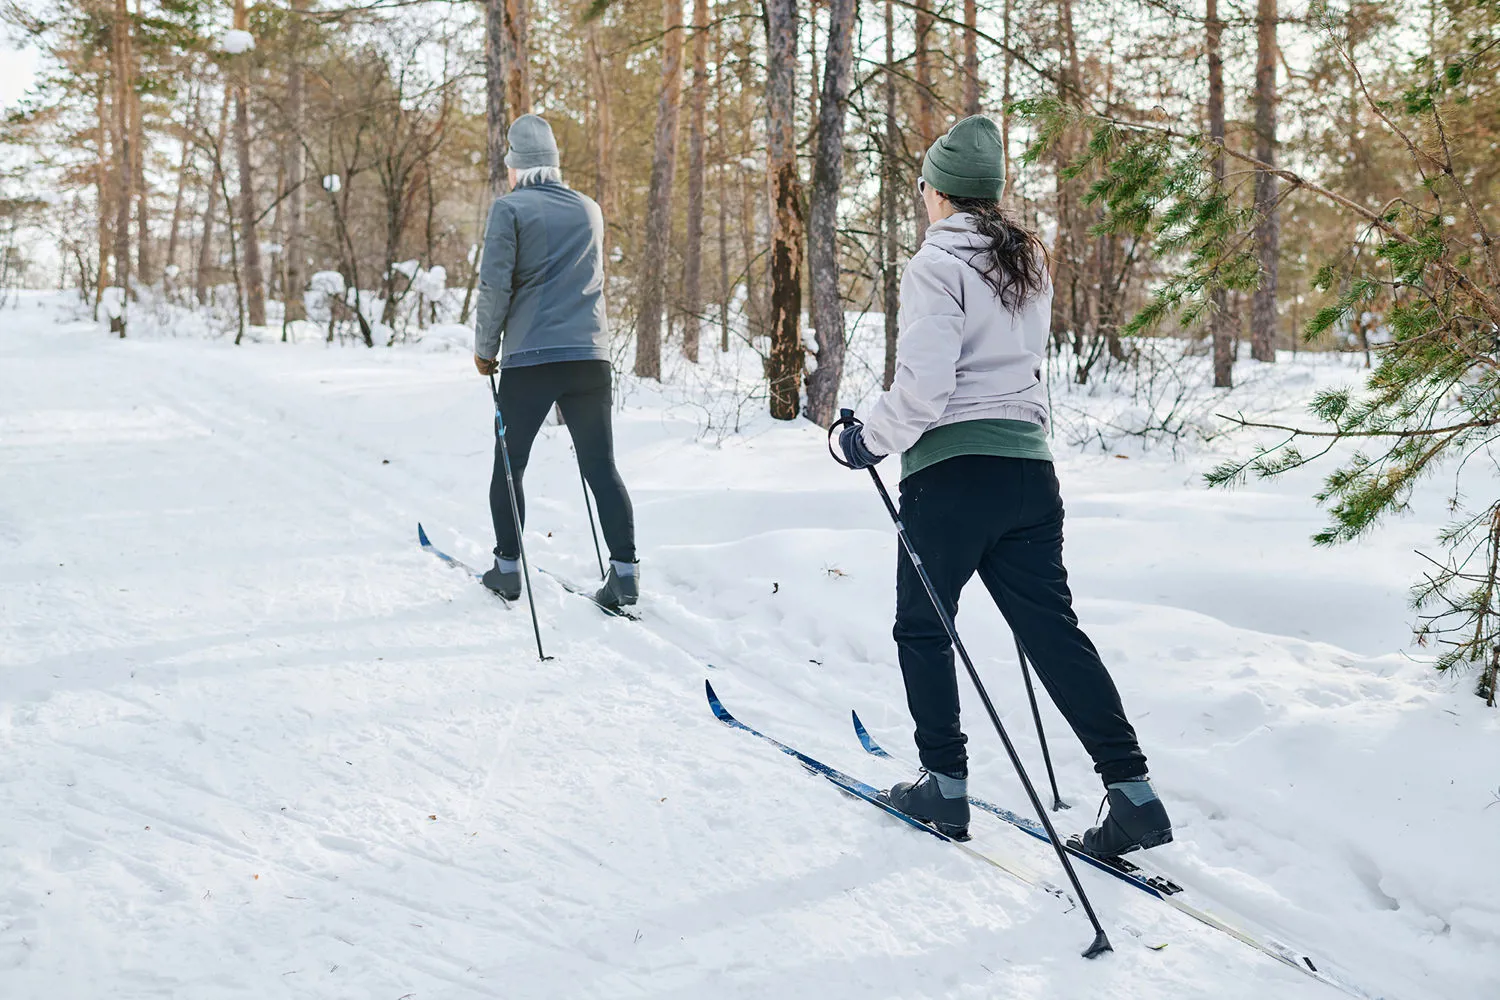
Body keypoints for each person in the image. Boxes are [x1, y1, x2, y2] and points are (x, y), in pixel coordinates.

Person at [833, 115, 1171, 858]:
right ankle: (1133, 794)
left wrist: (863, 442)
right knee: (1053, 633)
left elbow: (925, 388)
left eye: (922, 186)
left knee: (924, 626)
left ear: (941, 192)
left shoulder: (935, 264)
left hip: (953, 477)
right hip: (1029, 471)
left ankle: (943, 788)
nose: (921, 198)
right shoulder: (1026, 263)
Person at [473, 114, 639, 609]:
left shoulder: (509, 210)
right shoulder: (590, 208)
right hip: (591, 357)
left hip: (530, 359)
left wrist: (486, 349)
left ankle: (507, 570)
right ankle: (625, 575)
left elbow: (495, 286)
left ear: (517, 166)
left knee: (510, 465)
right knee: (601, 467)